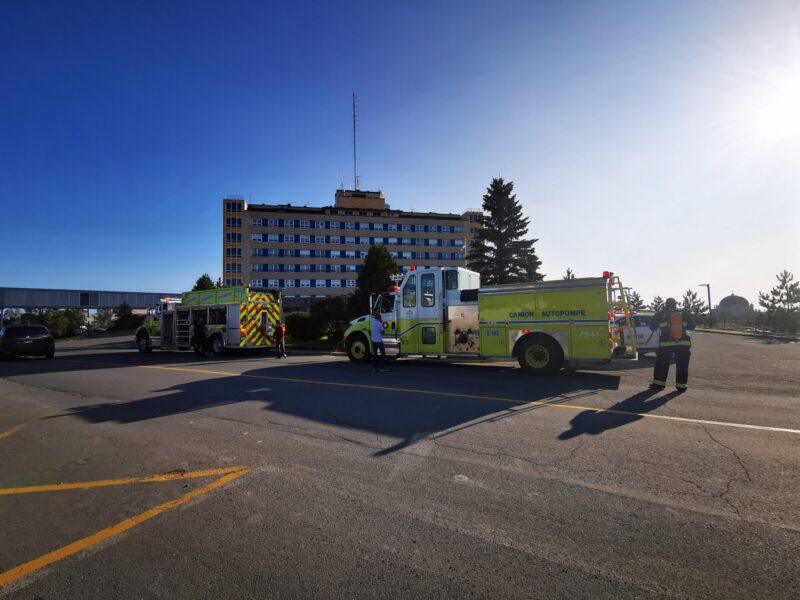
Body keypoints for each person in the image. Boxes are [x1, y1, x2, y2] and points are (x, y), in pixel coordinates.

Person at [648, 297, 695, 392]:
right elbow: (692, 326)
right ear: (675, 304)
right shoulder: (683, 313)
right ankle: (681, 386)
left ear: (665, 304)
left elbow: (652, 327)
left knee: (662, 365)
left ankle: (658, 385)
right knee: (682, 366)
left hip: (666, 344)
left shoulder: (661, 314)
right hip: (683, 344)